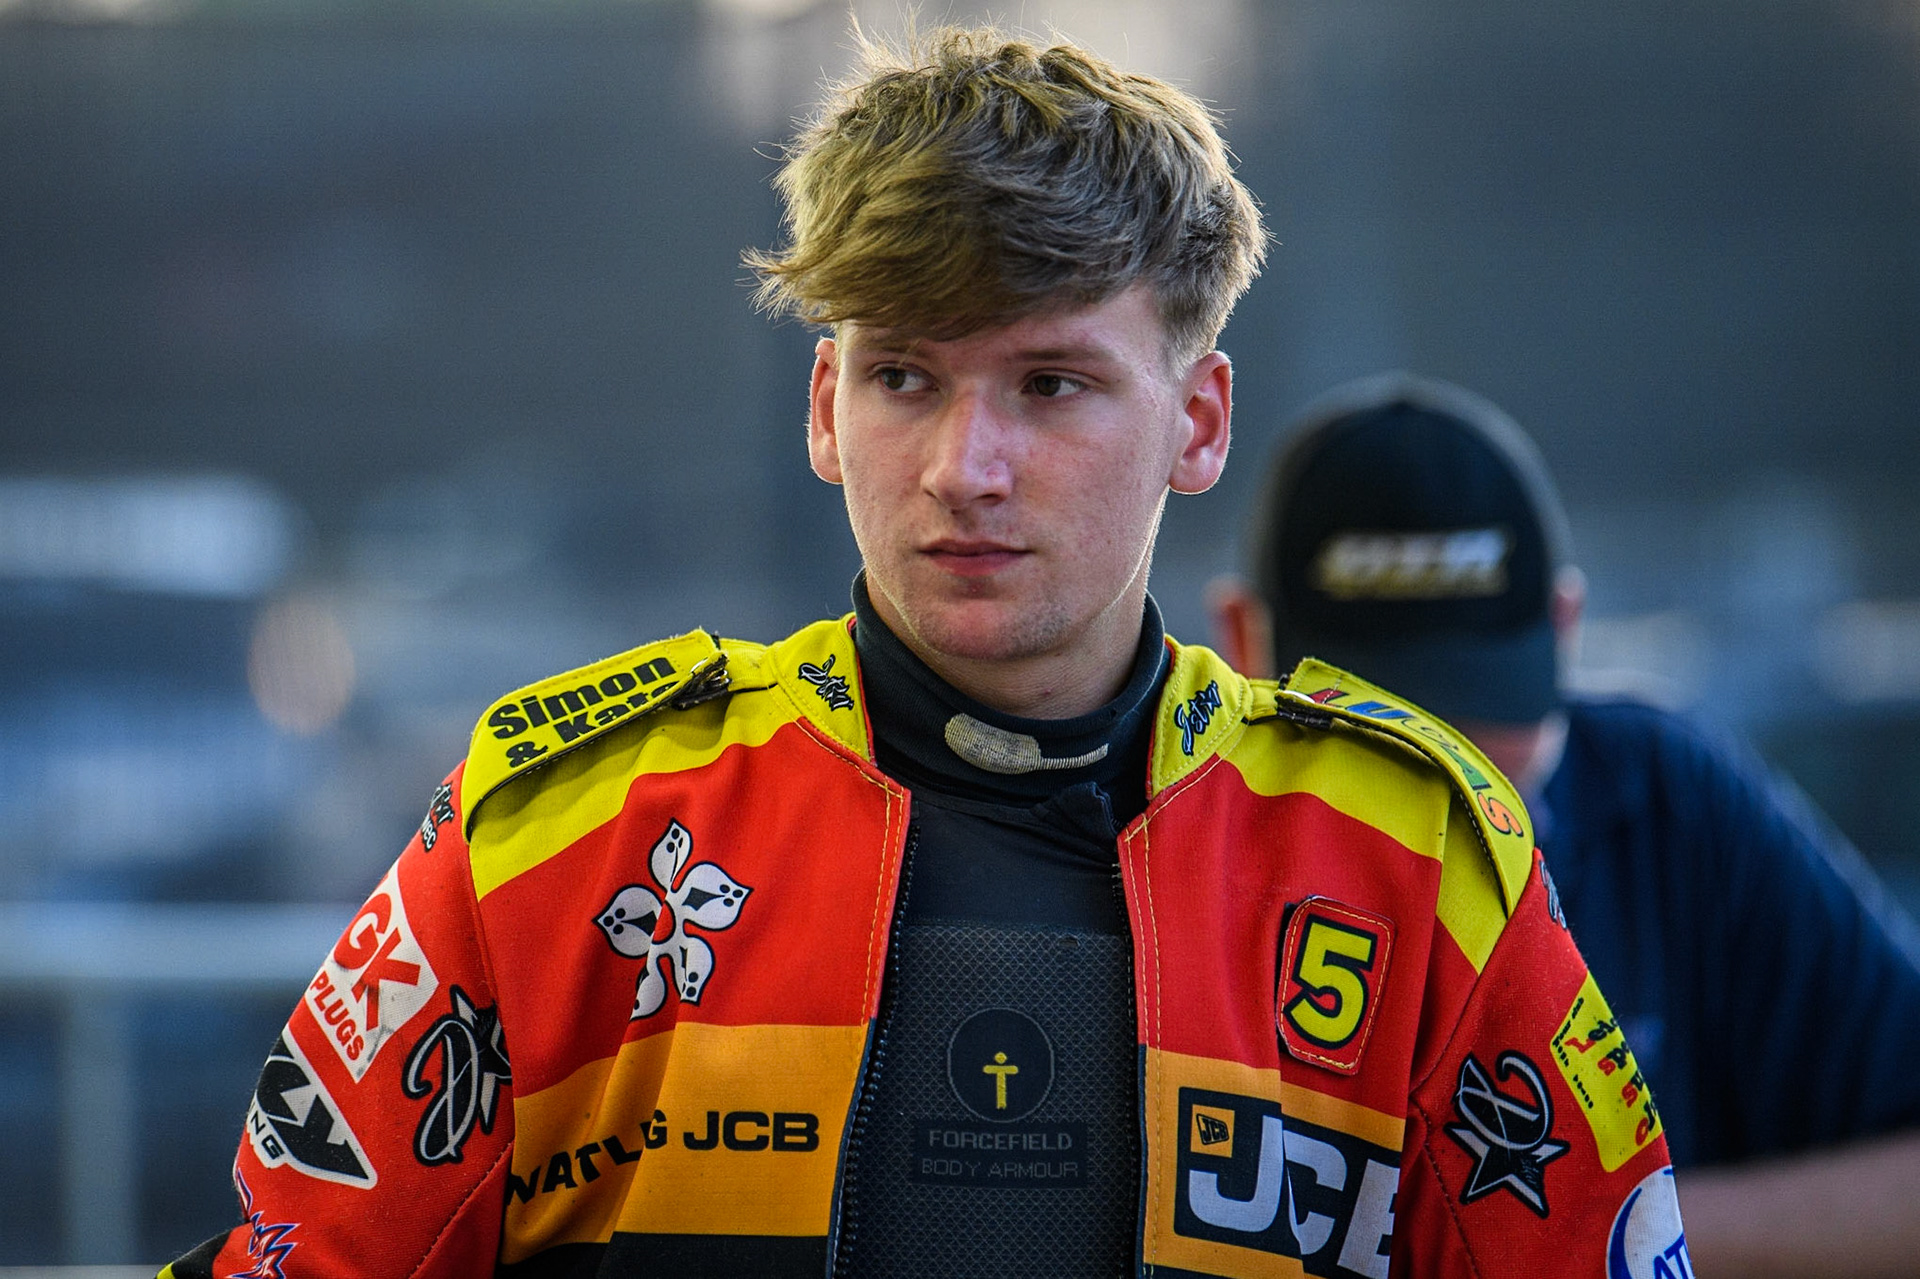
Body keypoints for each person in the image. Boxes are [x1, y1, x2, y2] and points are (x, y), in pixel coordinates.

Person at [164, 32, 1685, 1279]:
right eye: (906, 375)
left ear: (1199, 419)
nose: (969, 464)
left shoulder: (1410, 852)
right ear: (825, 409)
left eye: (1049, 381)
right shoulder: (565, 822)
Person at [1212, 370, 1920, 1278]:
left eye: (1480, 740)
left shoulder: (1664, 803)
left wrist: (1612, 1225)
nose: (1450, 796)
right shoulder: (1174, 853)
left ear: (1566, 629)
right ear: (1242, 641)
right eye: (1383, 739)